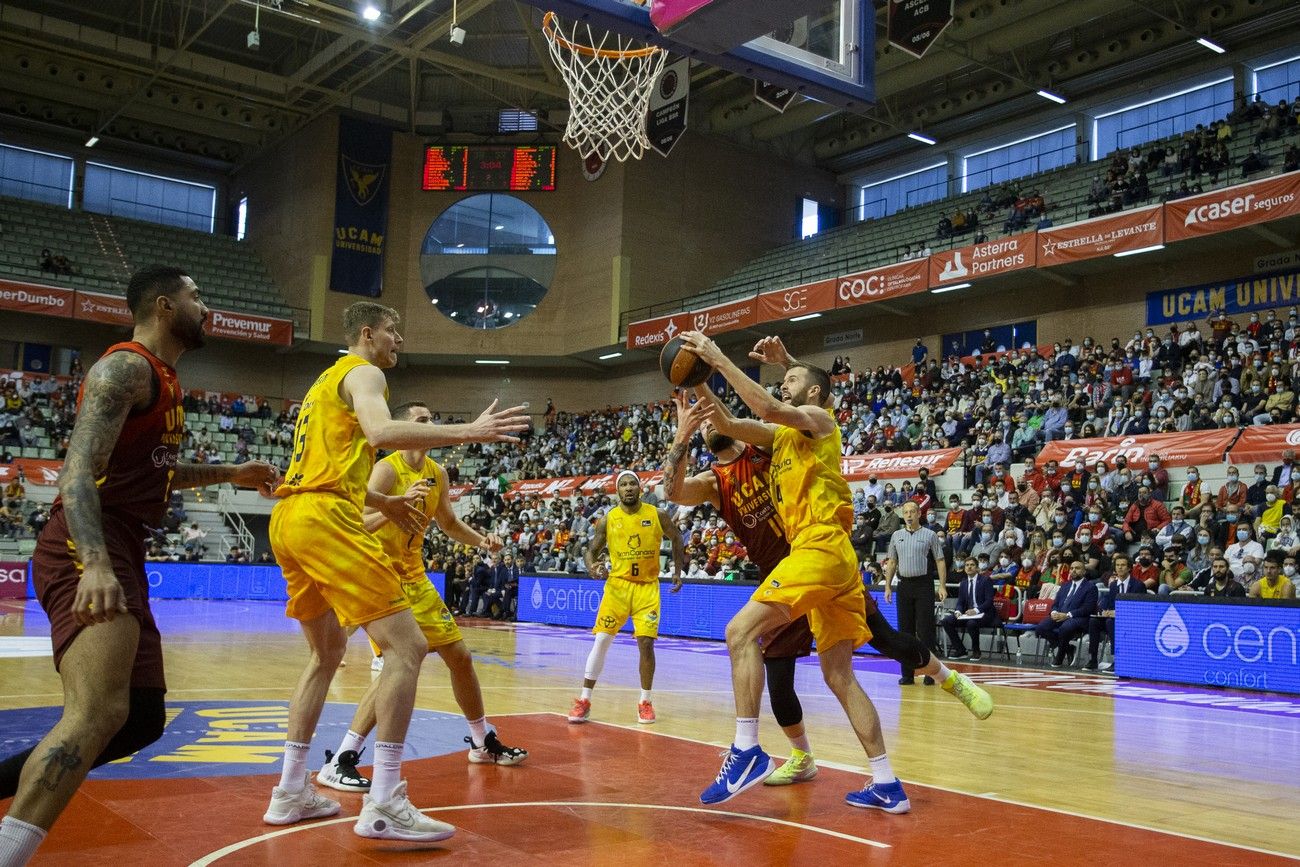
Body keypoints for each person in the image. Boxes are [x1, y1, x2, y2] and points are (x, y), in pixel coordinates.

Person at [0, 267, 279, 866]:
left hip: (121, 541)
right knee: (97, 712)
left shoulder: (167, 380)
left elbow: (156, 473)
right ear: (162, 306)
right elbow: (76, 469)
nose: (205, 306)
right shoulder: (125, 368)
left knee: (140, 719)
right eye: (196, 295)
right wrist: (95, 563)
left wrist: (231, 474)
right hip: (89, 542)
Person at [264, 301, 526, 844]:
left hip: (290, 517)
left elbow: (332, 466)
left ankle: (290, 792)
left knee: (326, 655)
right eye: (393, 330)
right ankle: (383, 800)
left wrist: (382, 505)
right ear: (367, 333)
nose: (398, 340)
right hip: (327, 518)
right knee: (408, 650)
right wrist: (469, 431)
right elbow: (381, 432)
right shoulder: (365, 372)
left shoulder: (322, 383)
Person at [680, 331, 964, 814]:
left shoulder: (819, 421)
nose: (782, 381)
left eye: (790, 377)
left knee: (738, 633)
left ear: (812, 392)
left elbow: (769, 407)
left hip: (818, 548)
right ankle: (886, 782)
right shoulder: (780, 437)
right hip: (833, 563)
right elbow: (728, 421)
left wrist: (718, 357)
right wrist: (696, 380)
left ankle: (747, 748)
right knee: (838, 674)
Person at [314, 400, 527, 797]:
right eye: (423, 420)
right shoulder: (386, 468)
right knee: (401, 664)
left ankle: (482, 741)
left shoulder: (437, 473)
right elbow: (356, 522)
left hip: (416, 577)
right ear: (402, 427)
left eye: (433, 419)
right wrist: (393, 511)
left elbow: (447, 523)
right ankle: (342, 757)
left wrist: (484, 541)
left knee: (460, 657)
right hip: (381, 577)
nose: (431, 424)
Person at [567, 471, 683, 726]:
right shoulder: (608, 519)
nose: (629, 488)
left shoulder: (657, 514)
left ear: (640, 488)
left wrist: (676, 571)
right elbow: (591, 551)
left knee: (646, 644)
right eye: (624, 485)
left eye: (633, 484)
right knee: (602, 641)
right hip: (617, 587)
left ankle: (645, 701)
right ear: (617, 490)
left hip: (647, 588)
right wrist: (592, 567)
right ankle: (584, 700)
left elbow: (676, 538)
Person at [884, 501, 949, 684]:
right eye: (906, 512)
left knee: (926, 630)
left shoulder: (930, 535)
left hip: (923, 585)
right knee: (905, 632)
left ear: (919, 513)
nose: (909, 515)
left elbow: (940, 560)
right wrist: (888, 586)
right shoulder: (896, 535)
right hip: (904, 585)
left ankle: (931, 673)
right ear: (902, 515)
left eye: (912, 511)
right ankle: (907, 674)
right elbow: (892, 562)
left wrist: (942, 586)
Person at [1084, 554, 1145, 671]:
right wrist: (1104, 611)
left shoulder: (1138, 585)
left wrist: (1119, 613)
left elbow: (1139, 609)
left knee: (1110, 622)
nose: (1120, 568)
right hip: (1113, 619)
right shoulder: (1113, 585)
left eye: (1123, 565)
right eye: (1117, 565)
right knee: (1094, 621)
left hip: (1131, 621)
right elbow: (1109, 604)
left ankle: (1117, 659)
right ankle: (1093, 659)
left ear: (1129, 568)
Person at [1033, 560, 1098, 667]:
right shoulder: (1065, 585)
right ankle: (1067, 648)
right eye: (1072, 568)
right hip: (1060, 615)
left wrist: (1067, 615)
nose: (1073, 570)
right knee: (1040, 628)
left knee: (1065, 628)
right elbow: (1055, 603)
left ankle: (1060, 654)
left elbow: (1088, 608)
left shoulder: (1090, 587)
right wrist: (1054, 612)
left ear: (1084, 571)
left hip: (1078, 618)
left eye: (1077, 568)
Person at [940, 558, 997, 660]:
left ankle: (976, 651)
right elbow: (960, 602)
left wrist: (975, 611)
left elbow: (989, 601)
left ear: (977, 568)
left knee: (971, 623)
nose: (969, 567)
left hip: (984, 614)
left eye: (972, 565)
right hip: (968, 614)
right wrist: (958, 611)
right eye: (967, 565)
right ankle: (961, 650)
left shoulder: (985, 580)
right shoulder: (964, 583)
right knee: (946, 621)